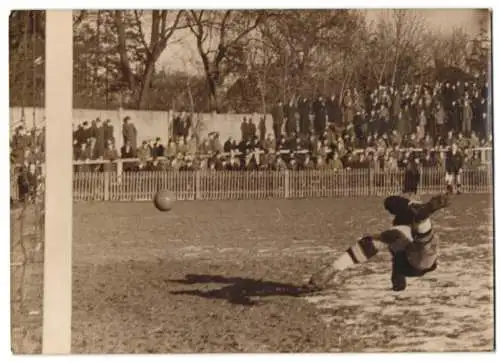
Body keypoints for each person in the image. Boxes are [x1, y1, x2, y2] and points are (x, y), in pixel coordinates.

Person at [307, 192, 451, 292]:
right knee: (387, 242)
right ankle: (398, 276)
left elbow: (421, 218)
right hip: (415, 256)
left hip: (418, 261)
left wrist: (431, 206)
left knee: (386, 241)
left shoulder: (411, 229)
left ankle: (398, 274)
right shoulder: (407, 223)